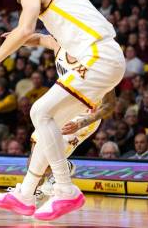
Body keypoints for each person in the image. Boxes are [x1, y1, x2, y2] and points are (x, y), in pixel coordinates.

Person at [0, 0, 125, 220]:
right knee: (44, 128)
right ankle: (25, 194)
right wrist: (26, 40)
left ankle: (65, 189)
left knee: (39, 112)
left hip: (97, 57)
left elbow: (25, 28)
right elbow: (39, 36)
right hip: (106, 56)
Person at [22, 32, 116, 197]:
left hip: (86, 114)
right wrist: (16, 39)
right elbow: (39, 39)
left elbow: (110, 105)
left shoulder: (98, 62)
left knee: (47, 157)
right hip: (65, 106)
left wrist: (82, 123)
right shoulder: (60, 45)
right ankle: (50, 178)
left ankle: (35, 189)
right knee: (36, 146)